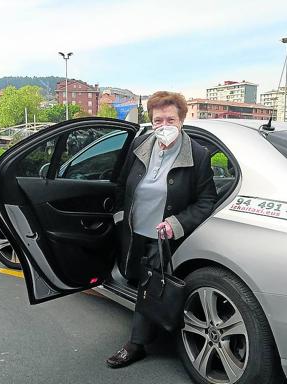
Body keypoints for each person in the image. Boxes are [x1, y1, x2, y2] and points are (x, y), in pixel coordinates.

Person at [106, 91, 217, 368]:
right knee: (136, 278)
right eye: (158, 120)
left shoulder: (198, 156)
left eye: (170, 119)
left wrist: (176, 224)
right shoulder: (141, 145)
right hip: (134, 232)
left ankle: (137, 344)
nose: (163, 125)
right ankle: (154, 324)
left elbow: (207, 200)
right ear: (150, 120)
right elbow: (122, 185)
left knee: (151, 286)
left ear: (182, 120)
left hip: (163, 237)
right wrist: (120, 217)